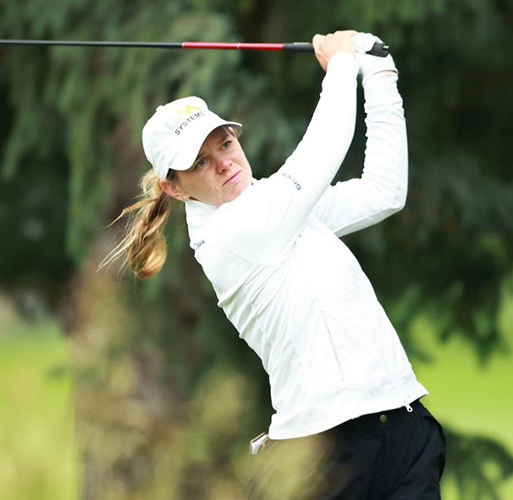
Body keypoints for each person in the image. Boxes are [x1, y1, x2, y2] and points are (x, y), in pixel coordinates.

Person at [106, 31, 446, 499]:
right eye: (201, 163)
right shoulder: (232, 234)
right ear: (175, 189)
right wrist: (343, 65)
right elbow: (323, 150)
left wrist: (381, 74)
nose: (223, 163)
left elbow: (384, 192)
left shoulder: (277, 208)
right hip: (323, 453)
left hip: (402, 426)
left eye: (224, 144)